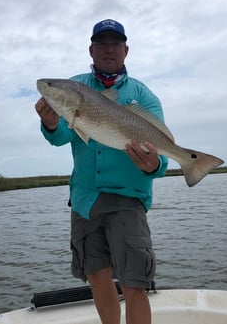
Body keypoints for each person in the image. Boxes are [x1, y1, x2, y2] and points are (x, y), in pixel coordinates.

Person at [35, 19, 168, 324]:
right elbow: (62, 137)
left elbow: (160, 152)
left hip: (127, 198)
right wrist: (51, 123)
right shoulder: (75, 86)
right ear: (91, 49)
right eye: (102, 44)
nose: (109, 49)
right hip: (84, 199)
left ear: (126, 50)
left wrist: (156, 165)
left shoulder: (143, 96)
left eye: (115, 44)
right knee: (97, 275)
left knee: (135, 281)